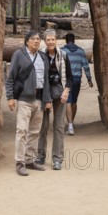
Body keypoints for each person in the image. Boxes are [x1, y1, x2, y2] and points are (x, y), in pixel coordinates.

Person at [6, 31, 52, 176]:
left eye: (38, 39)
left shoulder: (43, 57)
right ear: (27, 41)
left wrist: (47, 99)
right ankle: (20, 162)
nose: (36, 41)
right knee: (22, 131)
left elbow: (46, 81)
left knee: (34, 132)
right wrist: (10, 97)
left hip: (39, 100)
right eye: (33, 39)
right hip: (24, 99)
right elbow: (11, 77)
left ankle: (30, 160)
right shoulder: (19, 55)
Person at [37, 30, 72, 170]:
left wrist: (66, 91)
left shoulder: (63, 55)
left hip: (60, 93)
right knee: (43, 126)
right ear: (45, 41)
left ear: (56, 40)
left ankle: (57, 158)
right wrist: (44, 97)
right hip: (44, 94)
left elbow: (70, 76)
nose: (50, 41)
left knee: (58, 126)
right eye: (48, 39)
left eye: (53, 39)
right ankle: (40, 155)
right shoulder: (40, 56)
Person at [62, 32, 93, 134]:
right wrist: (89, 79)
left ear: (66, 40)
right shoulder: (80, 51)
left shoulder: (62, 51)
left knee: (68, 101)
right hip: (77, 79)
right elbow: (86, 66)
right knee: (74, 101)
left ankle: (70, 125)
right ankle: (71, 123)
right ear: (74, 40)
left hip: (67, 79)